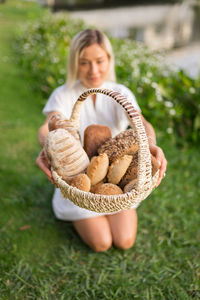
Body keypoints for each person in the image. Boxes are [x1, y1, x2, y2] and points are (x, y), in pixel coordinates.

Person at [36, 29, 167, 252]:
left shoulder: (120, 92)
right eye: (84, 62)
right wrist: (47, 145)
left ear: (109, 59)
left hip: (117, 182)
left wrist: (151, 143)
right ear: (74, 63)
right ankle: (80, 213)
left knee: (124, 240)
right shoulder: (64, 94)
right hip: (79, 183)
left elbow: (142, 124)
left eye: (99, 61)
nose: (93, 70)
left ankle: (112, 210)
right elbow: (47, 125)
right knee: (101, 243)